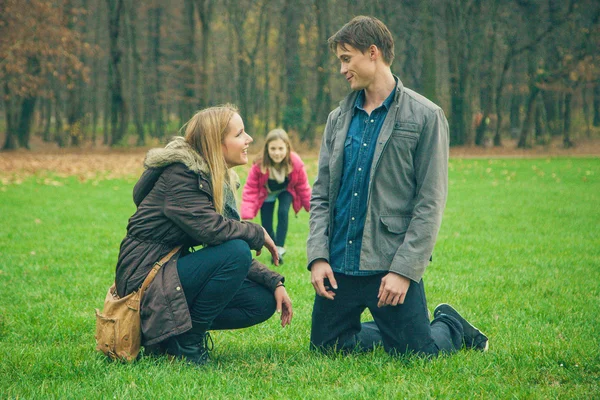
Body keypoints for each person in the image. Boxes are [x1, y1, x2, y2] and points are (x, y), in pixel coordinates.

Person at [307, 16, 488, 357]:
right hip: (340, 266)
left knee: (418, 354)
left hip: (388, 266)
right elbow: (321, 194)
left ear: (372, 53)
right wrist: (318, 256)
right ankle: (390, 328)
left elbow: (430, 201)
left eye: (347, 59)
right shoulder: (337, 119)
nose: (342, 69)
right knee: (326, 349)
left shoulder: (426, 116)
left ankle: (448, 324)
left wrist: (404, 271)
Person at [114, 104, 293, 366]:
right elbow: (214, 231)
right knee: (237, 251)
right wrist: (257, 231)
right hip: (143, 279)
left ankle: (172, 336)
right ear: (217, 143)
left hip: (168, 271)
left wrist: (274, 282)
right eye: (240, 133)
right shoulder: (181, 176)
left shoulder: (214, 177)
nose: (249, 139)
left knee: (262, 302)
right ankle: (187, 343)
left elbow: (227, 243)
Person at [241, 128, 311, 264]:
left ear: (287, 148)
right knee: (266, 223)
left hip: (286, 190)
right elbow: (251, 189)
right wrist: (247, 212)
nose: (277, 153)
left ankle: (279, 248)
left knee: (283, 212)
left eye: (280, 148)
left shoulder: (295, 162)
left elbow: (303, 187)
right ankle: (273, 247)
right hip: (267, 193)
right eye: (273, 149)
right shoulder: (260, 164)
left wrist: (310, 206)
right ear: (267, 149)